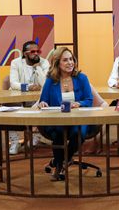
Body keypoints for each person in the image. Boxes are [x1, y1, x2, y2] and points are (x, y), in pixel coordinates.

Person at [36, 47, 95, 181]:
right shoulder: (51, 80)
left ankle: (60, 163)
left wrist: (79, 104)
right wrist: (43, 104)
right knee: (58, 132)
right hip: (58, 120)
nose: (70, 63)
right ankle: (61, 163)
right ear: (57, 63)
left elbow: (89, 100)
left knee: (78, 131)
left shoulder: (81, 78)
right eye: (65, 60)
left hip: (78, 119)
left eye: (71, 59)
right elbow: (43, 100)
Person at [8, 41, 49, 154]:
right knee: (8, 106)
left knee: (47, 103)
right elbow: (13, 83)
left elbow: (46, 83)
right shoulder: (16, 63)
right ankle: (15, 141)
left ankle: (36, 138)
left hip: (37, 97)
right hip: (18, 97)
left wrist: (38, 68)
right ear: (25, 53)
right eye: (33, 52)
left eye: (38, 51)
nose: (36, 54)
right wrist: (28, 87)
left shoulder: (44, 63)